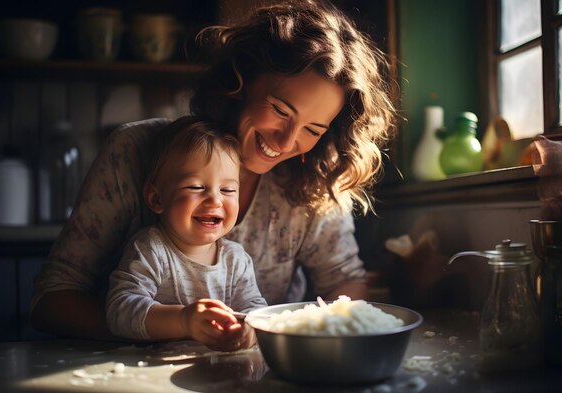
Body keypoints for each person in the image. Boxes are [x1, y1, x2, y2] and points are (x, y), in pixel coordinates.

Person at [30, 0, 397, 340]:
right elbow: (53, 300)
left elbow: (344, 285)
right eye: (281, 110)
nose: (286, 141)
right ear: (240, 81)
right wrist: (175, 326)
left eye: (312, 130)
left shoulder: (314, 181)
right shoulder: (136, 150)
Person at [105, 116, 266, 351]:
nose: (214, 200)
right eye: (196, 187)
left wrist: (251, 330)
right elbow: (120, 310)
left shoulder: (236, 259)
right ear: (157, 198)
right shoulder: (151, 249)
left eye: (227, 189)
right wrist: (183, 321)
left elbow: (257, 309)